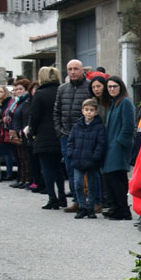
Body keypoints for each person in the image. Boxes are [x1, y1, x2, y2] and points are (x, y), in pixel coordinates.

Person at [53, 58, 91, 209]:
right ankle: (76, 200)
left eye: (76, 69)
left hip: (85, 135)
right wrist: (60, 131)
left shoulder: (89, 87)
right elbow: (56, 111)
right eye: (70, 69)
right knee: (70, 168)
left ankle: (91, 200)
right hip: (66, 135)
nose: (73, 72)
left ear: (82, 71)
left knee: (88, 170)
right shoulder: (62, 89)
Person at [28, 66, 67, 211]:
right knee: (57, 167)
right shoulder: (61, 90)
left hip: (44, 134)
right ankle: (62, 196)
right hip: (59, 132)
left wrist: (31, 131)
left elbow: (35, 116)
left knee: (47, 168)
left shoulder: (40, 94)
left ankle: (52, 198)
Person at [65, 97, 108, 220]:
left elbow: (101, 143)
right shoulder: (77, 125)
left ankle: (91, 207)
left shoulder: (99, 127)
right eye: (86, 110)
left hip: (91, 161)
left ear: (95, 112)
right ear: (82, 111)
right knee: (78, 183)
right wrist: (71, 153)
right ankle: (82, 206)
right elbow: (71, 141)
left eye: (91, 110)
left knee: (92, 185)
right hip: (78, 159)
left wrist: (96, 156)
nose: (89, 112)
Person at [102, 76, 136, 221]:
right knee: (112, 178)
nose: (111, 89)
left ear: (120, 87)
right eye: (109, 87)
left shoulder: (125, 102)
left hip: (118, 146)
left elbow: (128, 126)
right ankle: (116, 207)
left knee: (115, 177)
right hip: (111, 145)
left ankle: (122, 209)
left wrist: (120, 142)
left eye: (114, 86)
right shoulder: (113, 103)